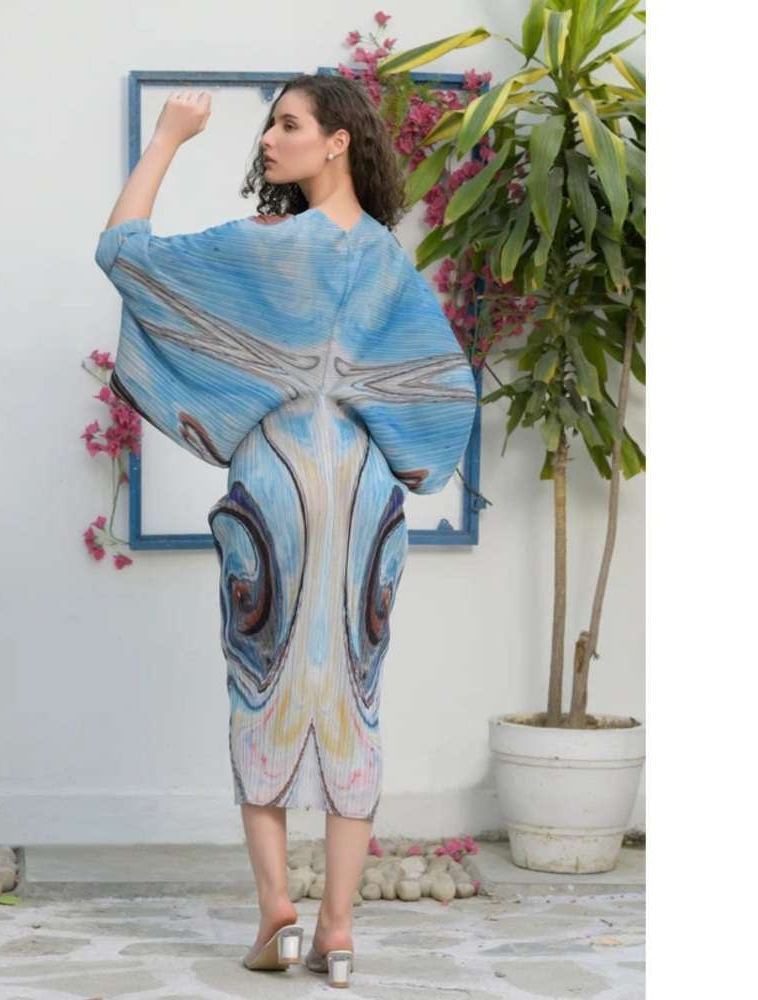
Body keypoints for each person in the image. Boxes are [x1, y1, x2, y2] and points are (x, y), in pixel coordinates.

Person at [94, 73, 478, 989]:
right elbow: (445, 395)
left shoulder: (264, 248)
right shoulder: (388, 264)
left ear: (337, 140)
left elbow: (122, 252)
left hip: (272, 478)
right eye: (269, 126)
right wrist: (384, 440)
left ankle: (279, 915)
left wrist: (167, 139)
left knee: (258, 683)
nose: (269, 139)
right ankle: (339, 932)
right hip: (362, 488)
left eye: (289, 124)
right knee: (356, 693)